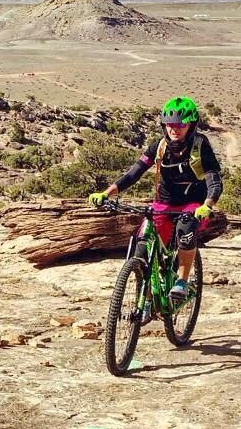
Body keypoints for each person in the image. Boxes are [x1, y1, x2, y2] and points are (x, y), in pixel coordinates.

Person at [88, 96, 223, 300]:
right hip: (164, 202)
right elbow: (134, 172)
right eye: (169, 125)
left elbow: (214, 181)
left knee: (185, 230)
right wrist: (107, 193)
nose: (173, 130)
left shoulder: (200, 145)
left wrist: (207, 205)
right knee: (141, 248)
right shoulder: (159, 147)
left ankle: (181, 282)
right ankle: (146, 299)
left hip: (194, 204)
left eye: (180, 125)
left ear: (191, 125)